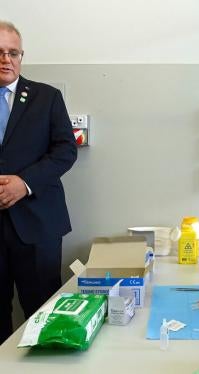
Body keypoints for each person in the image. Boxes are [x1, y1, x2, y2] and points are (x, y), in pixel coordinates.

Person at [0, 21, 77, 344]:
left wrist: (24, 183)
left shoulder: (46, 97)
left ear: (21, 56)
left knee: (43, 311)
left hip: (38, 224)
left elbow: (65, 151)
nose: (6, 59)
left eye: (12, 52)